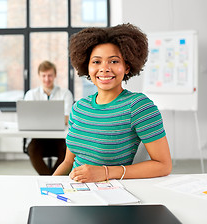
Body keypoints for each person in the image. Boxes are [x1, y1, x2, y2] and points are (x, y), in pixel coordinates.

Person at [53, 24, 172, 182]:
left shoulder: (138, 106)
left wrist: (106, 172)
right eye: (96, 62)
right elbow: (68, 162)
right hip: (74, 189)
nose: (104, 68)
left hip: (110, 192)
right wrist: (49, 184)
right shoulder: (79, 108)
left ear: (127, 67)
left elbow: (163, 165)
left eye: (114, 61)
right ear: (87, 67)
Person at [24, 61, 73, 175]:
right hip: (38, 138)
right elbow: (27, 117)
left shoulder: (65, 94)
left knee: (68, 150)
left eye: (50, 75)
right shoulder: (31, 94)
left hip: (59, 137)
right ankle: (50, 178)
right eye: (44, 76)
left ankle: (52, 178)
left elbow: (68, 118)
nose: (47, 79)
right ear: (39, 76)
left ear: (55, 75)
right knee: (32, 149)